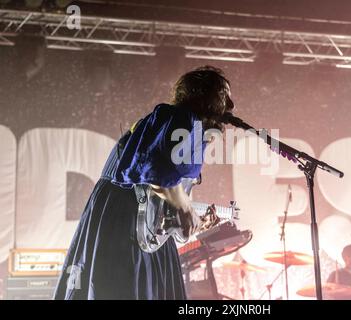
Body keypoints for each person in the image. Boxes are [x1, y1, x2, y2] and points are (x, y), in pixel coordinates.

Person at [54, 66, 234, 300]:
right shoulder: (179, 117)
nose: (230, 106)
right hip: (126, 220)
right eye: (224, 95)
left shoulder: (186, 126)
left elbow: (159, 188)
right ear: (204, 95)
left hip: (131, 221)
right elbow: (151, 171)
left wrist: (192, 219)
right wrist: (185, 208)